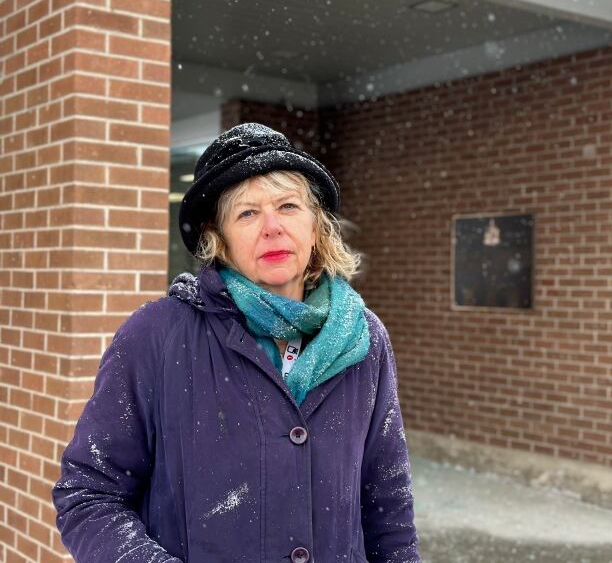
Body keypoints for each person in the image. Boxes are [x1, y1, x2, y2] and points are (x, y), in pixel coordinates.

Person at [52, 123, 421, 563]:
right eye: (247, 213)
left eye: (288, 206)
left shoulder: (363, 338)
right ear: (218, 239)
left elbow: (388, 504)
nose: (272, 227)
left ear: (317, 226)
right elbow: (89, 494)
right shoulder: (155, 336)